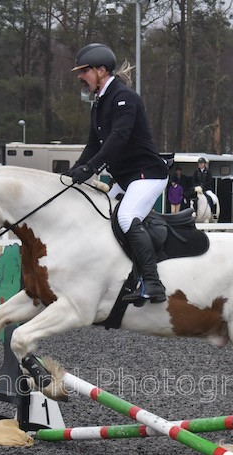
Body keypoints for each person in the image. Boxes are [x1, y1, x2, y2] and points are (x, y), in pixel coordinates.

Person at [64, 43, 169, 304]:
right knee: (99, 217)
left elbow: (118, 138)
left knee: (125, 217)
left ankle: (153, 282)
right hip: (126, 179)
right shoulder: (98, 104)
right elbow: (92, 145)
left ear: (101, 70)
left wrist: (92, 168)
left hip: (148, 175)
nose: (80, 76)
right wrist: (73, 172)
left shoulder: (125, 98)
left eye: (84, 71)